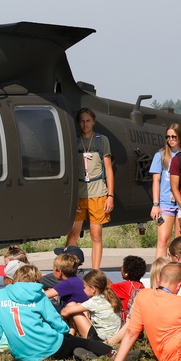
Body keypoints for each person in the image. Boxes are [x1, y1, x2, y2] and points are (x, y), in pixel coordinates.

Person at [0, 265, 117, 361]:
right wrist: (65, 330)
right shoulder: (39, 295)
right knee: (83, 343)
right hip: (49, 346)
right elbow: (56, 323)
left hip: (22, 354)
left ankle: (77, 355)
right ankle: (113, 353)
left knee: (68, 349)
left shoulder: (0, 296)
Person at [63, 107, 114, 270]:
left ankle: (95, 270)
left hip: (98, 194)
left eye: (88, 121)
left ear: (94, 122)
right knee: (73, 235)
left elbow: (108, 169)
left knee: (96, 235)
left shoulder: (102, 140)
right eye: (82, 121)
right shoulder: (75, 140)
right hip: (79, 195)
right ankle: (68, 268)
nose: (85, 124)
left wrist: (110, 195)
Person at [149, 123, 181, 259]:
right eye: (168, 136)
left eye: (174, 136)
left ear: (180, 137)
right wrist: (155, 204)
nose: (171, 139)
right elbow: (156, 181)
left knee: (180, 242)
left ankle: (177, 271)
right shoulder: (161, 155)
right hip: (165, 202)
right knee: (163, 240)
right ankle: (159, 272)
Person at [61, 269, 122, 342]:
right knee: (78, 306)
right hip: (113, 337)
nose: (83, 290)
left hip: (98, 340)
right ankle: (71, 334)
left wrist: (66, 317)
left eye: (85, 287)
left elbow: (64, 312)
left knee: (72, 306)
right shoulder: (110, 297)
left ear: (93, 289)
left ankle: (70, 335)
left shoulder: (95, 301)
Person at [110, 255, 146, 322]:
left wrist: (98, 273)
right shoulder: (141, 286)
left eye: (122, 266)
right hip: (137, 319)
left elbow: (108, 287)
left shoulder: (125, 286)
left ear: (126, 273)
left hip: (126, 320)